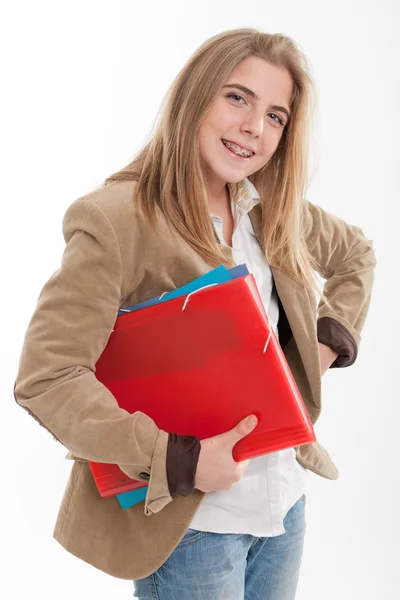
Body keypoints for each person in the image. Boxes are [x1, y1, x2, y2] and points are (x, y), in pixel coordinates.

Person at [14, 27, 376, 600]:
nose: (255, 128)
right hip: (191, 530)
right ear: (195, 96)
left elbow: (356, 254)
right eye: (238, 98)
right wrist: (177, 459)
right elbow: (47, 377)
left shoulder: (271, 208)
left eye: (276, 116)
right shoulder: (117, 219)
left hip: (284, 508)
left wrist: (320, 349)